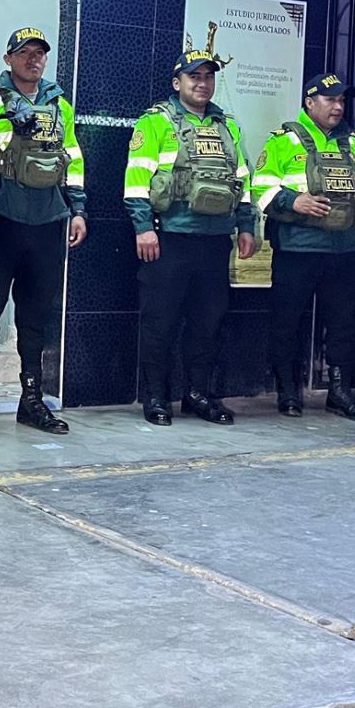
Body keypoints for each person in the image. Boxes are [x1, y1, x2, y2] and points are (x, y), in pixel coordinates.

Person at [0, 26, 86, 438]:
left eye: (39, 53)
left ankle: (31, 402)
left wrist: (78, 210)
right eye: (24, 52)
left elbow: (73, 161)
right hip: (0, 223)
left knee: (35, 319)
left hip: (47, 224)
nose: (33, 59)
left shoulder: (60, 106)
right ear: (8, 58)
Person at [122, 49, 257, 426]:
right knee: (160, 322)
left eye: (208, 76)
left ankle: (198, 394)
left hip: (215, 240)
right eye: (194, 76)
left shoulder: (228, 126)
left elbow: (242, 180)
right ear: (177, 82)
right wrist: (143, 227)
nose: (202, 83)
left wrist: (247, 226)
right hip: (170, 239)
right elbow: (137, 178)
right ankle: (156, 396)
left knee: (207, 323)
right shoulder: (156, 122)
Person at [252, 72, 355, 423]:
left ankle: (339, 393)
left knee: (343, 325)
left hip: (345, 248)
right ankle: (288, 391)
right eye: (330, 99)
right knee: (287, 321)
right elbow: (259, 188)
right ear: (309, 102)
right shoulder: (283, 142)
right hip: (298, 247)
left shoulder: (354, 144)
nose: (338, 107)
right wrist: (293, 201)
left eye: (341, 101)